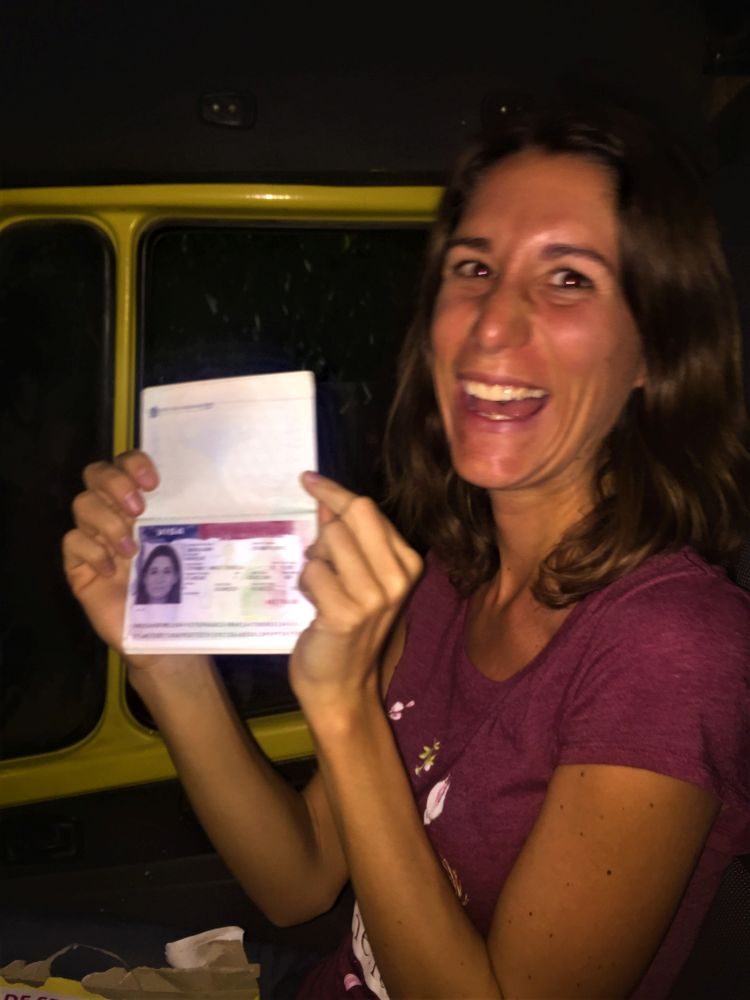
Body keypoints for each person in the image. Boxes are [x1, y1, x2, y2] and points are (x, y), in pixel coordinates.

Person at [63, 104, 750, 999]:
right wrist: (163, 655)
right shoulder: (441, 585)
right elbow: (298, 878)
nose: (491, 325)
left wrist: (343, 702)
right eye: (474, 268)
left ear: (656, 349)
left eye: (568, 279)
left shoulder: (674, 647)